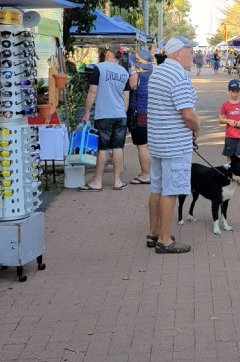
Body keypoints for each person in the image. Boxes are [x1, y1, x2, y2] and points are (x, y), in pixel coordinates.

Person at [147, 36, 200, 254]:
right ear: (178, 53)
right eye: (190, 52)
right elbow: (187, 113)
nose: (193, 56)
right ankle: (165, 239)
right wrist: (197, 128)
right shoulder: (179, 75)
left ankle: (154, 233)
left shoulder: (158, 71)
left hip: (158, 140)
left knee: (157, 188)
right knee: (171, 190)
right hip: (174, 142)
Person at [81, 44, 138, 191]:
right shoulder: (125, 73)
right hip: (120, 115)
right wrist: (123, 114)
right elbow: (126, 97)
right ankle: (117, 181)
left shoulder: (99, 68)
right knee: (118, 147)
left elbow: (93, 91)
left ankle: (97, 182)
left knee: (103, 148)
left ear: (108, 54)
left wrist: (87, 112)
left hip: (104, 114)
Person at [128, 48, 154, 184]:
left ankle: (145, 175)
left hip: (140, 115)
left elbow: (126, 92)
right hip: (155, 114)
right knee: (150, 145)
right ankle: (152, 173)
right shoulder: (156, 75)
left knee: (142, 146)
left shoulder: (136, 77)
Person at [219, 78, 240, 160]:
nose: (235, 94)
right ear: (229, 91)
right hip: (230, 134)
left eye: (238, 91)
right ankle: (229, 171)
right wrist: (228, 121)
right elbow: (221, 119)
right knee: (230, 156)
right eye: (233, 91)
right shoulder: (225, 105)